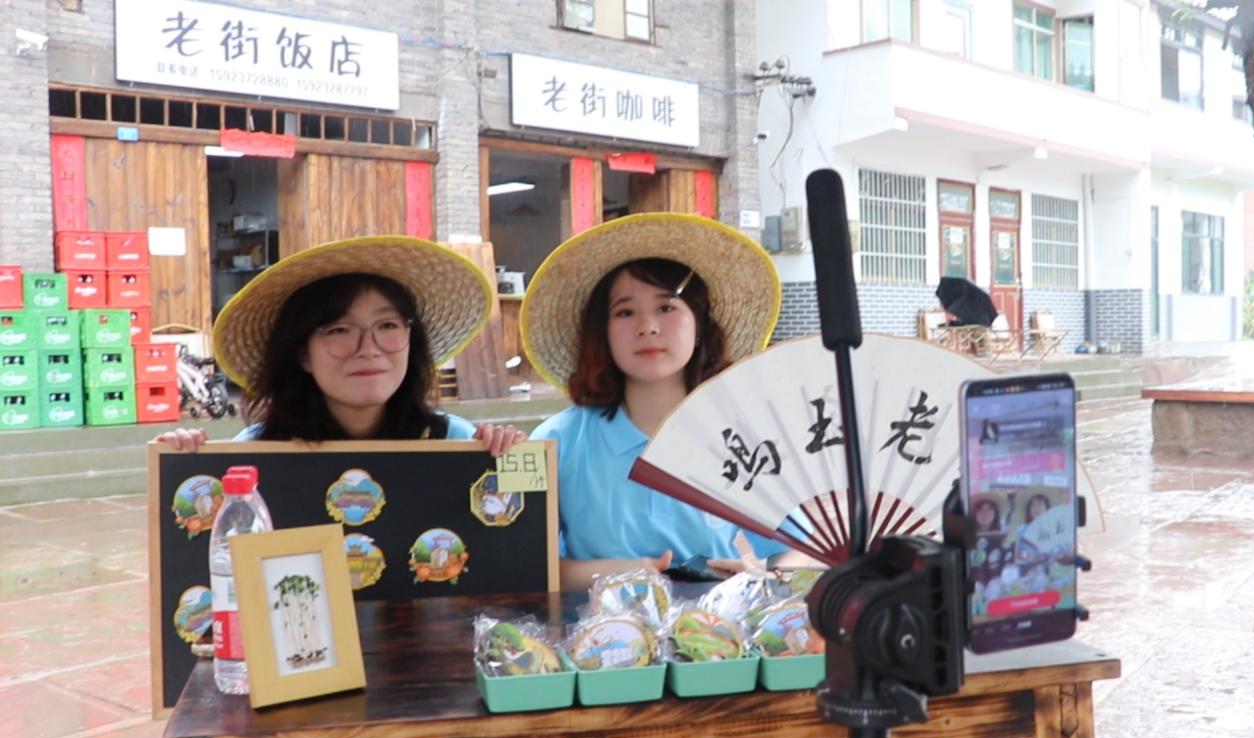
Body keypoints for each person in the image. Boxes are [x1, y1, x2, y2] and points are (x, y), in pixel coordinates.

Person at [520, 213, 813, 592]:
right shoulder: (560, 441)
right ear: (602, 333)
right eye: (625, 312)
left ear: (699, 325)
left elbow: (801, 549)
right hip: (597, 626)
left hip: (717, 626)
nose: (648, 327)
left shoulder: (744, 438)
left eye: (666, 308)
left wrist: (762, 576)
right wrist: (622, 572)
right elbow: (526, 562)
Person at [156, 235, 523, 454]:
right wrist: (183, 462)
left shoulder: (455, 442)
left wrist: (507, 458)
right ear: (303, 354)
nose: (369, 348)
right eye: (339, 330)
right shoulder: (256, 453)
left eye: (387, 325)